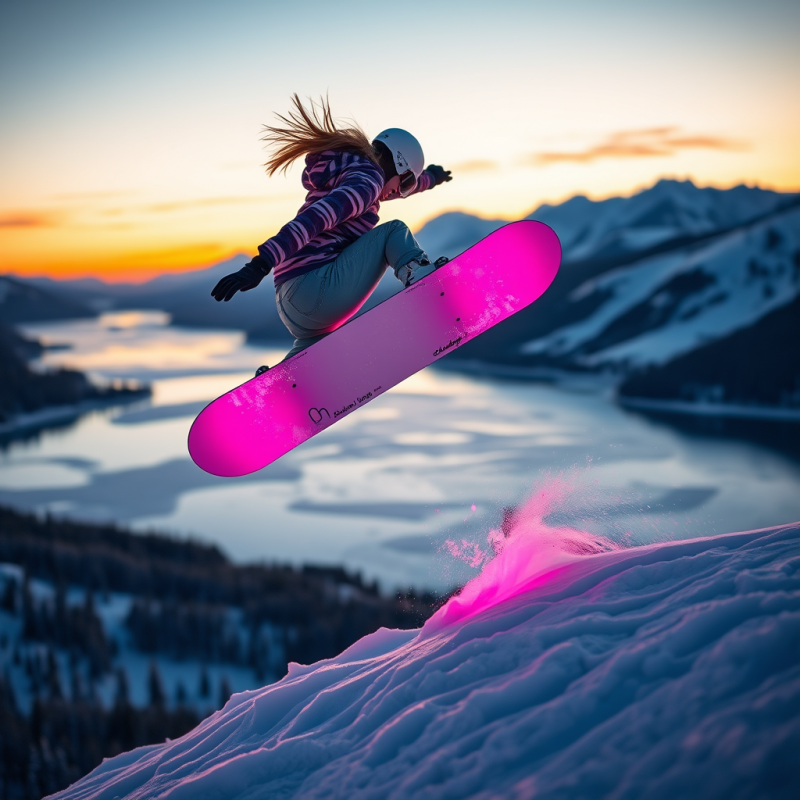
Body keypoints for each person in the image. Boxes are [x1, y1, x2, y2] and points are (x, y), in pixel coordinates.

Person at [211, 94, 452, 369]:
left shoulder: (356, 175)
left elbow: (388, 191)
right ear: (395, 163)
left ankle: (286, 378)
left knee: (319, 347)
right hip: (315, 289)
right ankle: (420, 278)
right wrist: (259, 264)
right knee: (393, 231)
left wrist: (429, 179)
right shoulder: (368, 183)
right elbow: (315, 219)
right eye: (407, 181)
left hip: (292, 302)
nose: (401, 191)